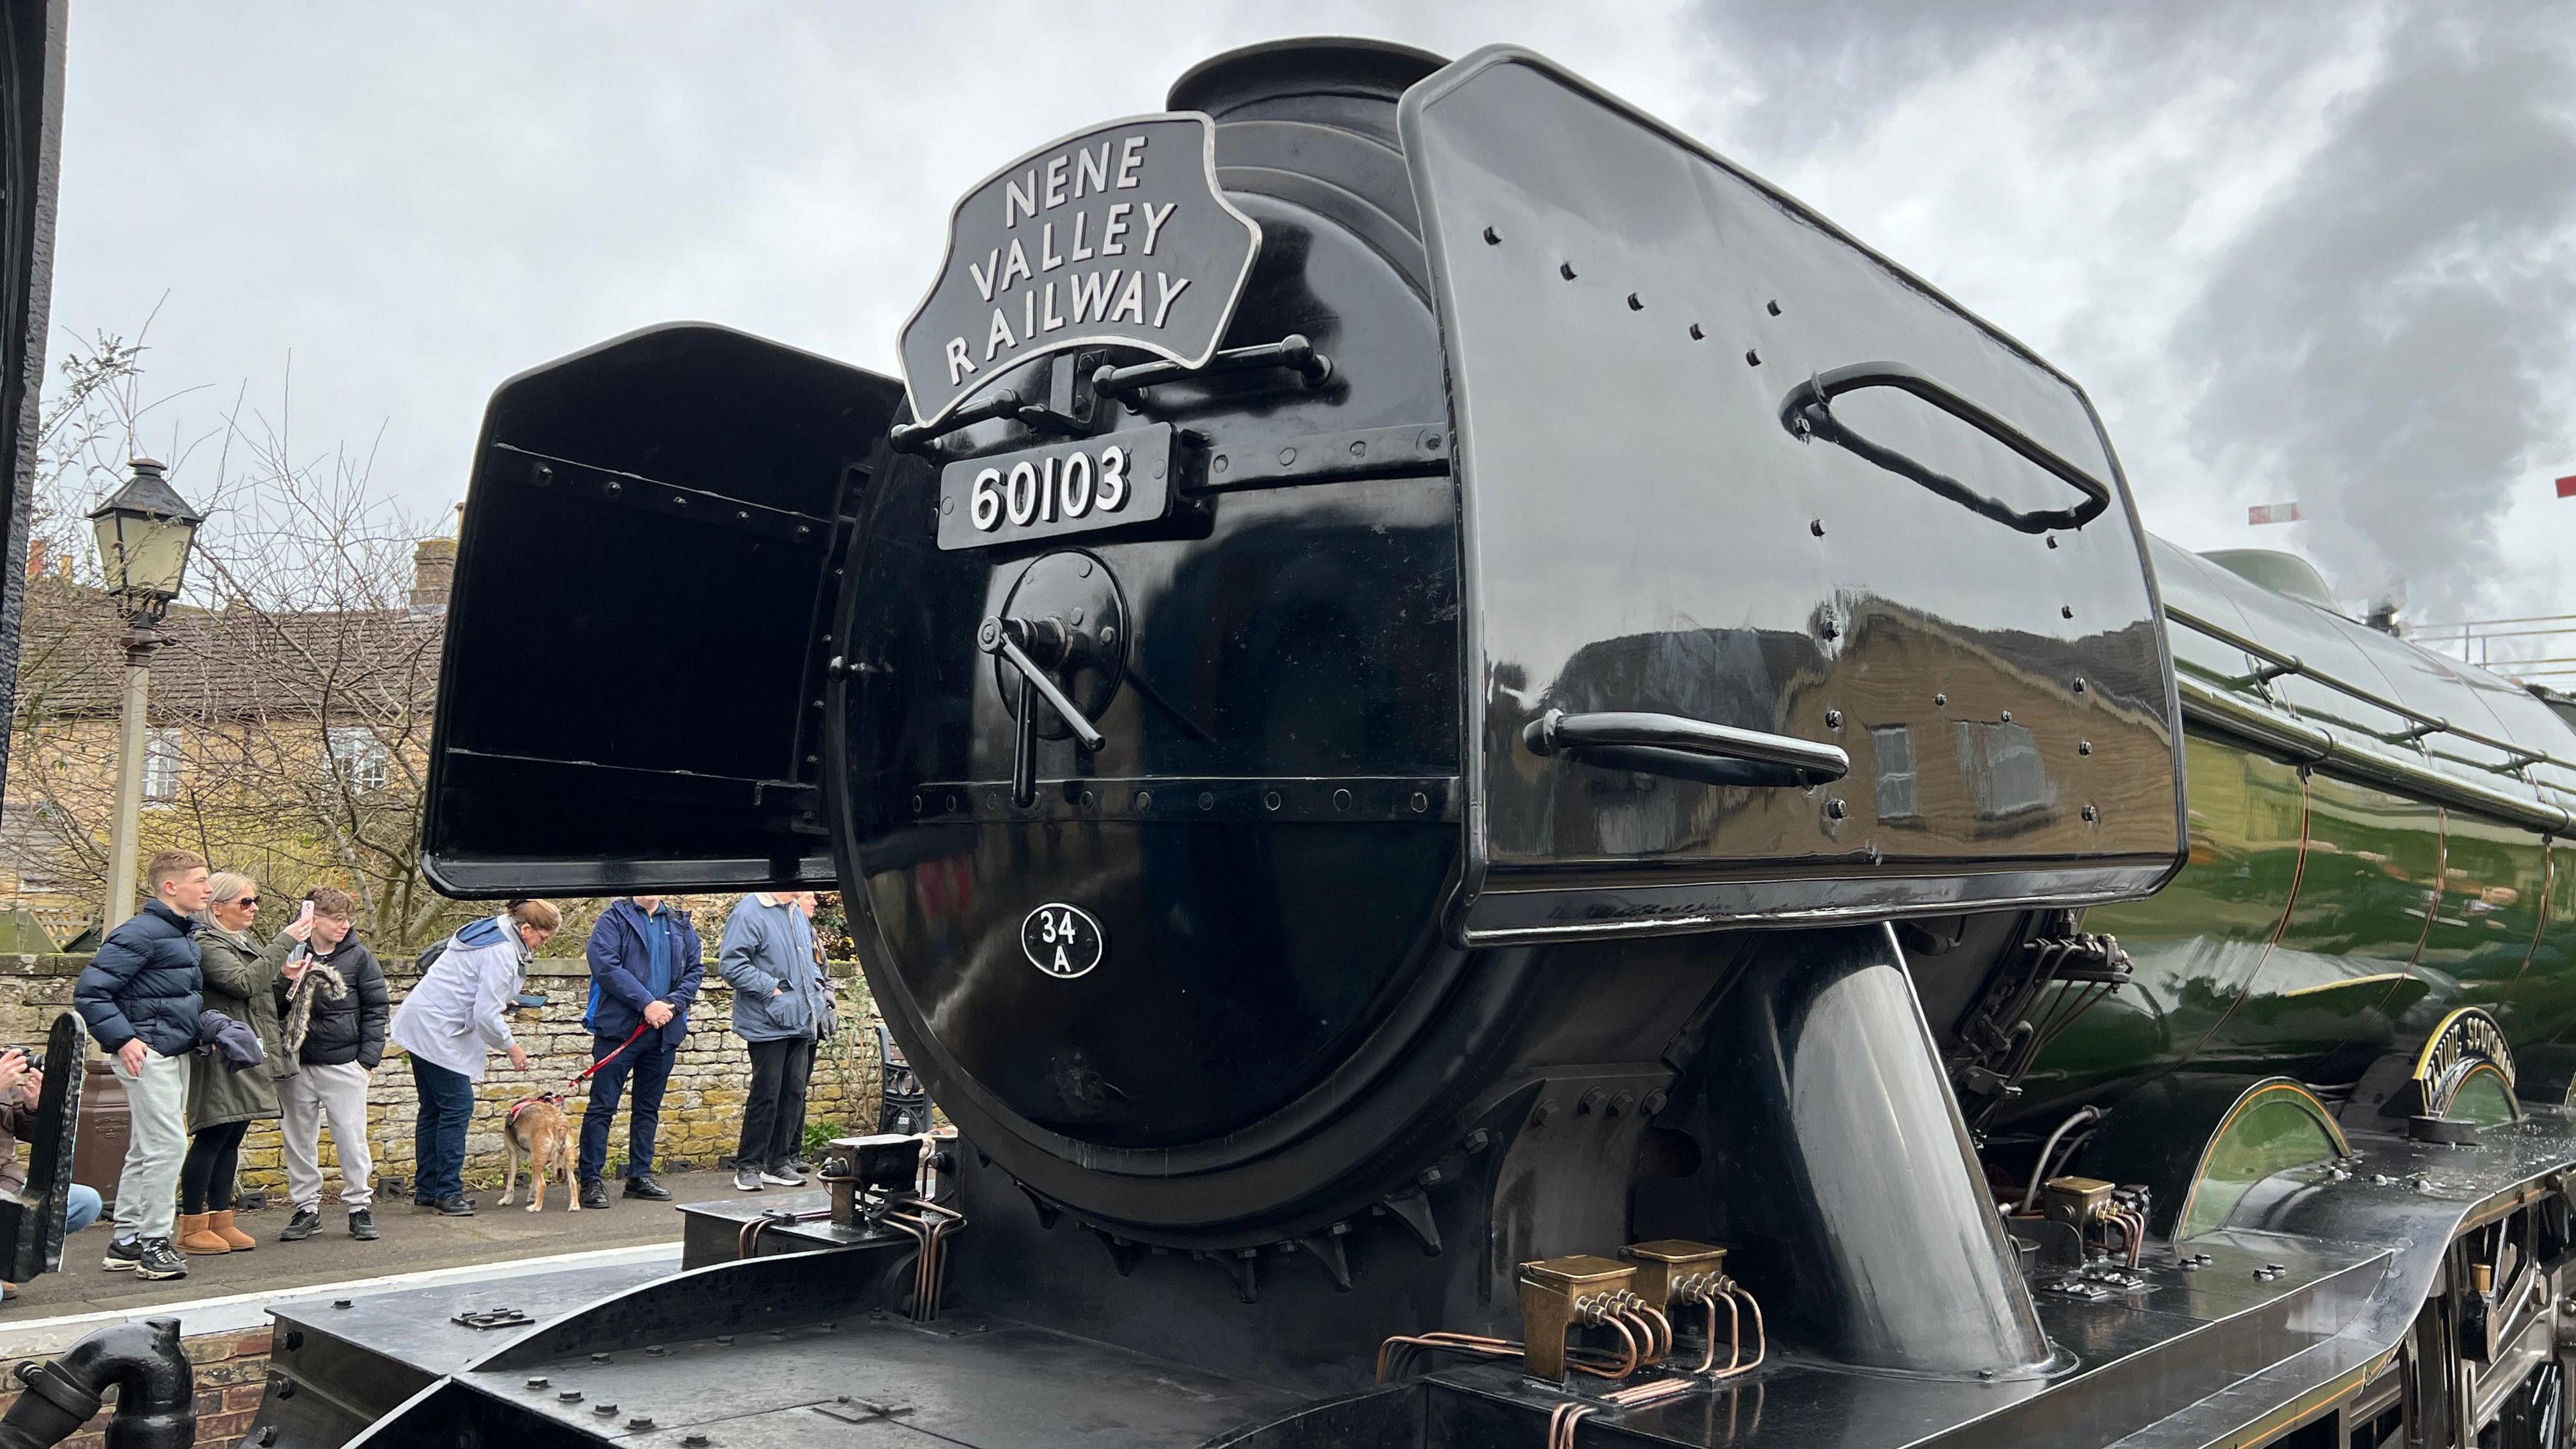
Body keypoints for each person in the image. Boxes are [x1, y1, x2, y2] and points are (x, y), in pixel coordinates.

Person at [388, 898, 557, 1216]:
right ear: (525, 929)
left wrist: (505, 999)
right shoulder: (502, 951)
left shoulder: (494, 929)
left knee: (434, 1110)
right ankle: (448, 1193)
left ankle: (428, 1189)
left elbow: (475, 986)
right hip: (438, 1030)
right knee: (457, 1107)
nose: (543, 944)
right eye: (543, 937)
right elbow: (485, 1015)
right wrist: (512, 1048)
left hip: (423, 1022)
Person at [178, 873, 311, 1255]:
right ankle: (191, 1225)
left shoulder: (240, 942)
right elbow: (241, 984)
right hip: (223, 1052)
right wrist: (285, 942)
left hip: (246, 1049)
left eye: (255, 901)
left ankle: (221, 1219)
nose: (253, 909)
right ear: (216, 908)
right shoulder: (206, 943)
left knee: (233, 1135)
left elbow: (258, 995)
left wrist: (284, 980)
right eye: (245, 902)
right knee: (214, 1133)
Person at [276, 887, 388, 1242]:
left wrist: (366, 1061)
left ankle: (359, 1206)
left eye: (348, 920)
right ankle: (306, 1208)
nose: (345, 926)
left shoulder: (359, 958)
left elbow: (376, 1009)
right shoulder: (290, 952)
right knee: (297, 1139)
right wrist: (284, 977)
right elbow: (269, 1002)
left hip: (344, 1062)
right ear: (313, 919)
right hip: (296, 1061)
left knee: (351, 1137)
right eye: (337, 919)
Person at [577, 896, 703, 1209]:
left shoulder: (680, 922)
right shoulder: (613, 919)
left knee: (648, 1109)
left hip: (663, 1031)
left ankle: (639, 1176)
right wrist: (646, 1003)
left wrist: (671, 1005)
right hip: (619, 1030)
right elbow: (605, 966)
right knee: (602, 1107)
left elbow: (695, 970)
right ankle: (591, 1180)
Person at [717, 892, 826, 1193]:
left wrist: (816, 995)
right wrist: (771, 990)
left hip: (801, 1019)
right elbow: (732, 965)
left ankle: (779, 1163)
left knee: (793, 1093)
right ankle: (749, 1166)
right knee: (766, 1094)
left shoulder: (794, 911)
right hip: (767, 1021)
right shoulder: (749, 912)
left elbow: (810, 964)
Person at [0, 1047, 99, 1302]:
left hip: (6, 1187)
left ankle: (4, 1265)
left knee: (84, 1202)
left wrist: (36, 1108)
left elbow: (29, 1134)